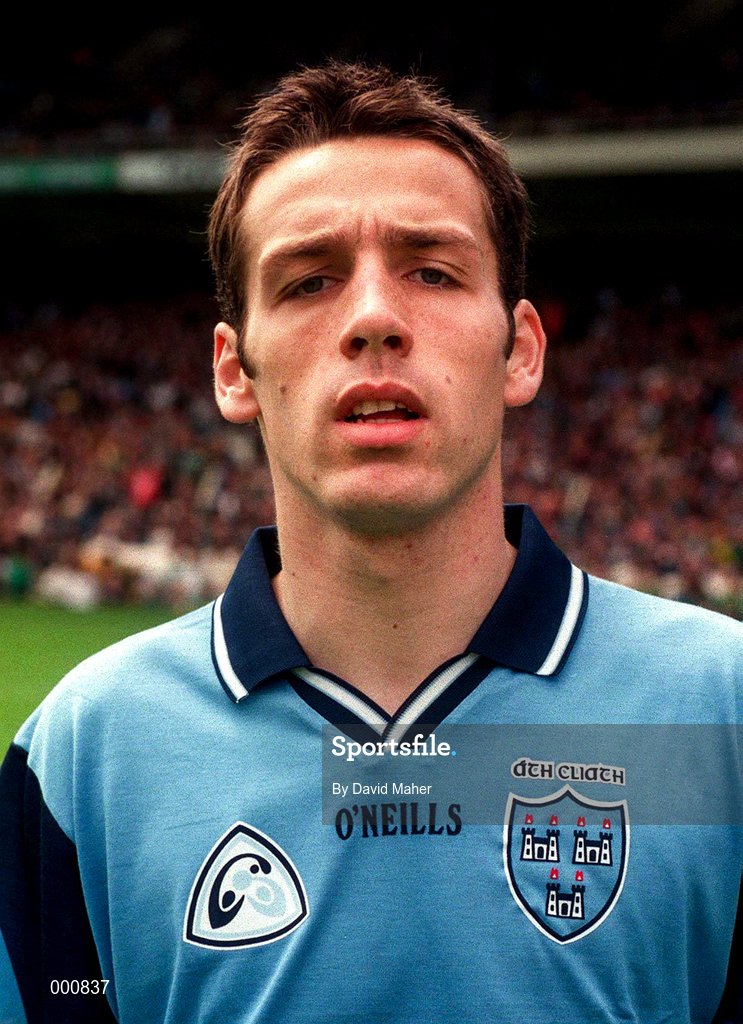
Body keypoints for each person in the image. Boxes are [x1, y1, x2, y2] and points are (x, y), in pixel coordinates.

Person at [1, 61, 741, 1024]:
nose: (374, 320)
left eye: (431, 271)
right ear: (234, 369)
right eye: (308, 280)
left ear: (519, 348)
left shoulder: (718, 713)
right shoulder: (83, 758)